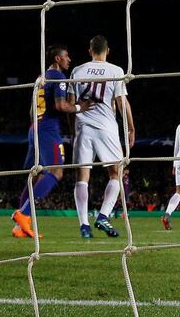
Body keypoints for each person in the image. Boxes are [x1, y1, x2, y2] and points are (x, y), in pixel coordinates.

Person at [11, 45, 92, 239]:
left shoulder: (41, 78)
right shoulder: (58, 77)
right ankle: (23, 214)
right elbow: (60, 105)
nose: (69, 59)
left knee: (35, 175)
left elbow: (31, 110)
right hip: (48, 129)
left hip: (34, 128)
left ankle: (21, 226)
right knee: (56, 172)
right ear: (57, 58)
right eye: (66, 56)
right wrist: (81, 106)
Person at [68, 35, 135, 239]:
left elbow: (71, 106)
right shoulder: (116, 71)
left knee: (82, 177)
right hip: (107, 127)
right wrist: (131, 128)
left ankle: (84, 226)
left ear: (90, 51)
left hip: (83, 127)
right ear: (108, 51)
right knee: (116, 173)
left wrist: (73, 131)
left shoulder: (77, 70)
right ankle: (103, 215)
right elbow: (122, 103)